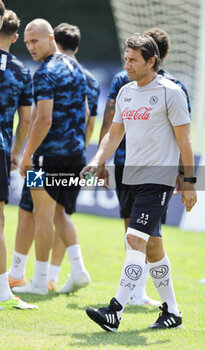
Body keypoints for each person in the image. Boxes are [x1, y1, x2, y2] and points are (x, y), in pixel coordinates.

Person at [82, 33, 197, 332]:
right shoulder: (125, 92)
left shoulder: (171, 92)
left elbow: (185, 141)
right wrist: (98, 160)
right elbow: (114, 134)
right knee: (153, 249)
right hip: (130, 177)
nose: (127, 64)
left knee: (133, 240)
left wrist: (189, 182)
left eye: (133, 60)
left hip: (157, 179)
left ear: (151, 61)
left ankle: (115, 311)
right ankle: (172, 311)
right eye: (126, 58)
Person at [8, 22, 99, 293]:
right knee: (60, 214)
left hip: (47, 156)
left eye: (35, 41)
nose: (31, 47)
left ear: (51, 39)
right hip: (75, 155)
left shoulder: (45, 72)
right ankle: (76, 269)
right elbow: (85, 115)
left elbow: (43, 119)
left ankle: (38, 281)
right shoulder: (78, 70)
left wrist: (27, 154)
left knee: (42, 214)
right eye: (27, 43)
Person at [0, 8, 37, 310]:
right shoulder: (22, 71)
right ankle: (2, 291)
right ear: (15, 37)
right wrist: (16, 153)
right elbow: (26, 121)